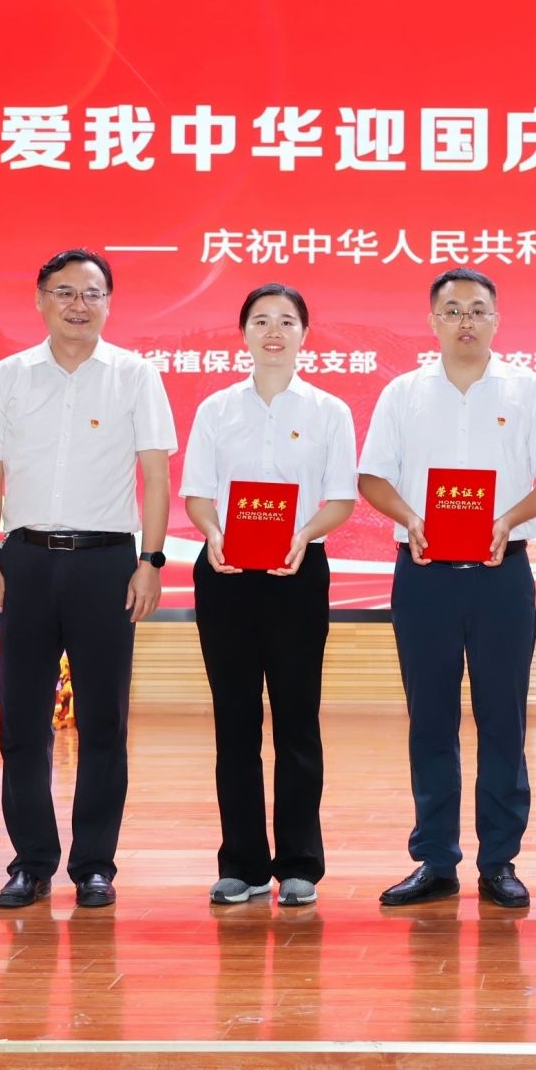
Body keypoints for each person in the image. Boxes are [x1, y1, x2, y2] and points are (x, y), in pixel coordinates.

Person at [356, 267, 536, 909]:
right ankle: (435, 860)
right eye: (452, 310)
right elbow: (372, 477)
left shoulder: (528, 390)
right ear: (432, 320)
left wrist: (509, 517)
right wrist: (410, 518)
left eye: (478, 310)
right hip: (424, 574)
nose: (465, 321)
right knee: (430, 719)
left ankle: (499, 860)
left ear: (496, 320)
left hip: (501, 574)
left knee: (503, 718)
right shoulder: (403, 393)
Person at [0, 248, 176, 910]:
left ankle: (94, 865)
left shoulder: (135, 375)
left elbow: (155, 475)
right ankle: (31, 863)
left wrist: (151, 561)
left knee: (104, 721)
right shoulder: (9, 375)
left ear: (109, 303)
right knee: (22, 722)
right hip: (26, 560)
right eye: (64, 292)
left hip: (106, 563)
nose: (78, 305)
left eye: (92, 293)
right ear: (40, 300)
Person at [180, 282, 356, 909]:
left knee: (297, 720)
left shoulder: (330, 411)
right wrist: (213, 533)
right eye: (260, 321)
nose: (273, 332)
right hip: (225, 573)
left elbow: (341, 498)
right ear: (244, 333)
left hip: (297, 573)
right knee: (234, 722)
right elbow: (197, 493)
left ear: (305, 333)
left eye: (286, 321)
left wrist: (303, 534)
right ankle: (243, 863)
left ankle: (301, 863)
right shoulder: (216, 409)